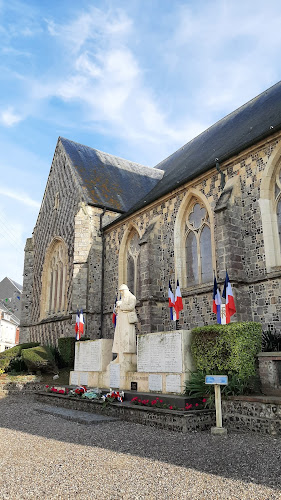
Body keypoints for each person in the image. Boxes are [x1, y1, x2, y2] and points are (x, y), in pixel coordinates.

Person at [112, 284, 137, 363]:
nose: (121, 293)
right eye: (120, 292)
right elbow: (120, 309)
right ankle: (119, 357)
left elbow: (131, 307)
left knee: (126, 337)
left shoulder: (132, 297)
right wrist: (117, 308)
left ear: (126, 291)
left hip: (127, 321)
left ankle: (127, 357)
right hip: (120, 321)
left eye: (122, 291)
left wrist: (121, 305)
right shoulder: (122, 299)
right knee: (119, 337)